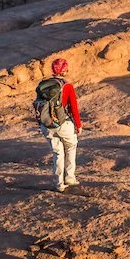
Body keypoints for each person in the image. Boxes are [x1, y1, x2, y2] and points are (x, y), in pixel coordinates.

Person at [36, 58, 82, 192]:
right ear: (65, 70)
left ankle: (59, 183)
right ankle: (70, 177)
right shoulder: (66, 86)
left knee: (57, 152)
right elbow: (73, 108)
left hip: (46, 125)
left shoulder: (43, 84)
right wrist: (78, 125)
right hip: (62, 123)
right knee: (71, 146)